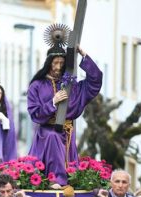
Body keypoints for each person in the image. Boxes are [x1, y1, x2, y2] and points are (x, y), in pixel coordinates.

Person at [27, 24, 102, 186]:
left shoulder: (71, 85)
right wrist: (52, 102)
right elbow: (34, 113)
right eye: (55, 63)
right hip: (46, 133)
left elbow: (95, 81)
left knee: (62, 145)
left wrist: (84, 56)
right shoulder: (37, 85)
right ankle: (57, 181)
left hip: (67, 132)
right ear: (48, 63)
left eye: (61, 63)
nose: (58, 67)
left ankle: (67, 179)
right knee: (53, 136)